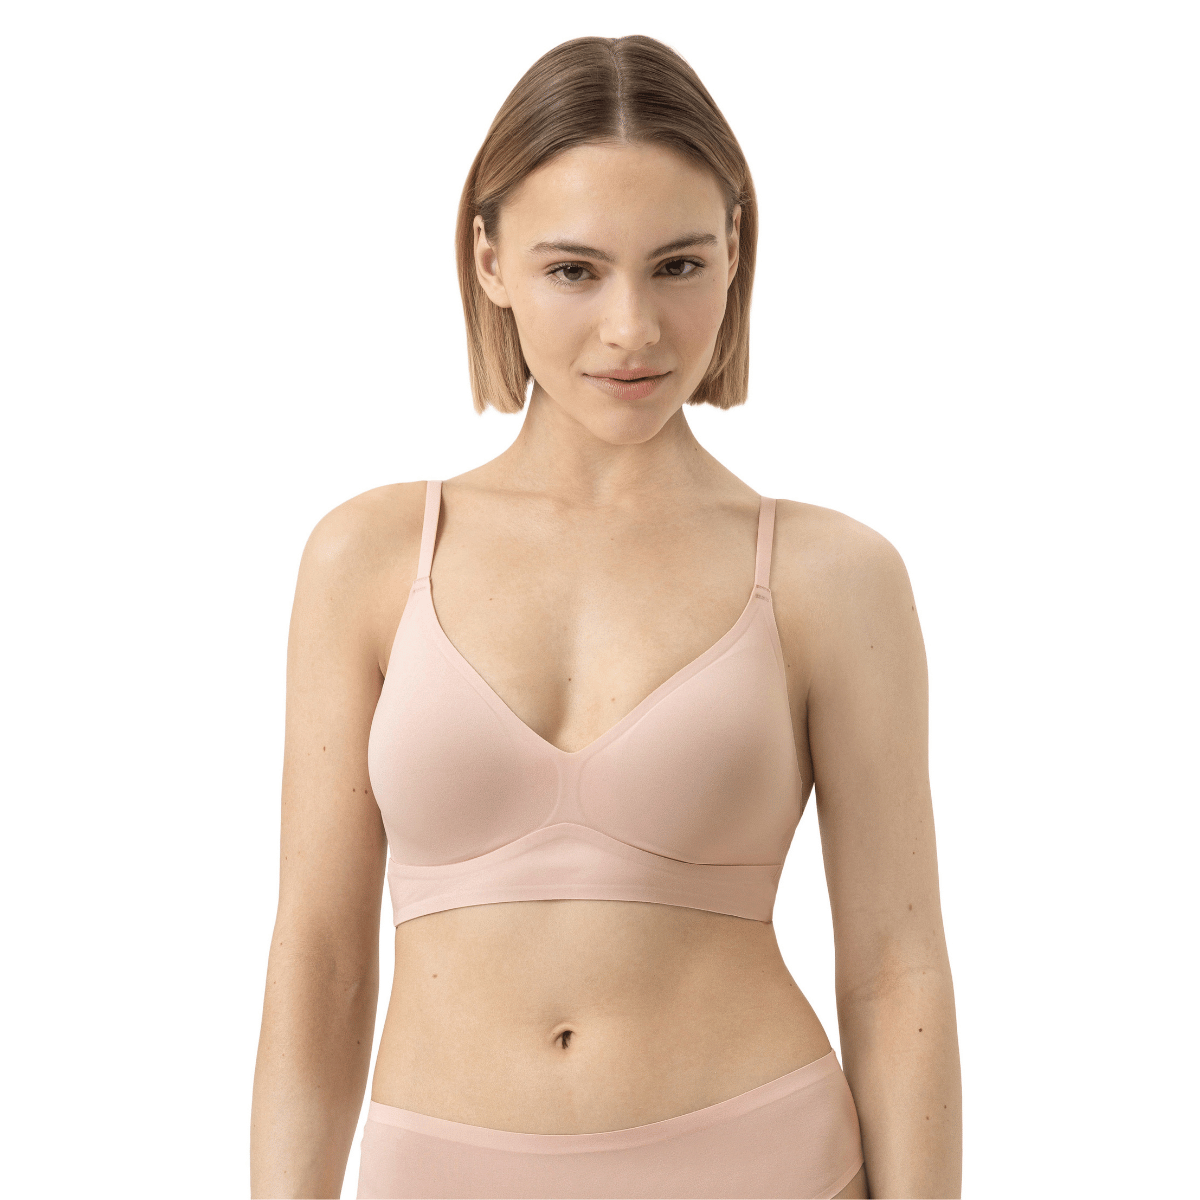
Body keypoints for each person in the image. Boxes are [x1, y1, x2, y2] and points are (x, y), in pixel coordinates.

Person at [250, 33, 961, 1200]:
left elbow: (896, 971)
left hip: (761, 1164)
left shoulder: (832, 576)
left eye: (677, 265)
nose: (633, 329)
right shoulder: (368, 558)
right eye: (575, 271)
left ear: (735, 252)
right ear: (489, 260)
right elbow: (320, 959)